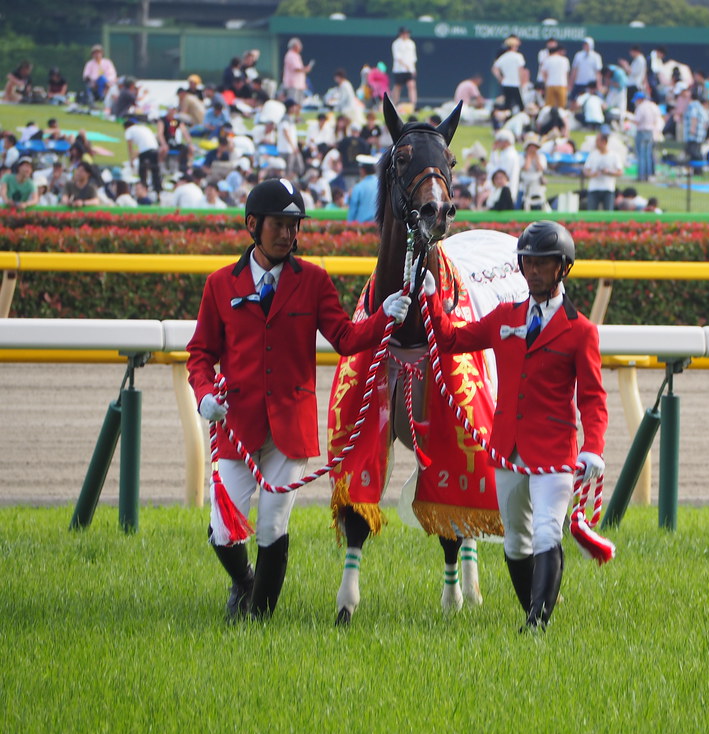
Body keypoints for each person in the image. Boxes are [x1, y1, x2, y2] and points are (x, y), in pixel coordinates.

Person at [186, 178, 411, 622]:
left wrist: (384, 315)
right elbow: (200, 354)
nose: (289, 234)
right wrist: (204, 394)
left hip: (290, 428)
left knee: (272, 524)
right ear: (253, 224)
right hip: (236, 426)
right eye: (279, 224)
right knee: (222, 531)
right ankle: (245, 581)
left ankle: (260, 617)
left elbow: (346, 338)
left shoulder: (313, 280)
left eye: (294, 225)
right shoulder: (219, 284)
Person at [419, 220, 607, 632]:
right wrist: (431, 299)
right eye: (528, 263)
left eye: (543, 263)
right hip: (506, 448)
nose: (534, 270)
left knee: (545, 534)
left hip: (555, 453)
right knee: (516, 541)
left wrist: (593, 446)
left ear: (563, 268)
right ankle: (533, 613)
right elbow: (451, 339)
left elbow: (592, 397)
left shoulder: (581, 331)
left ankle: (536, 623)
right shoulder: (505, 316)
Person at [582, 132, 622, 211]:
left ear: (604, 142)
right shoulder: (592, 155)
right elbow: (586, 170)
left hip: (608, 188)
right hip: (594, 188)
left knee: (608, 214)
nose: (596, 143)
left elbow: (620, 172)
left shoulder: (614, 155)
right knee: (591, 212)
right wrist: (592, 174)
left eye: (597, 141)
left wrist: (609, 173)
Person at [124, 118, 161, 198]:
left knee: (142, 172)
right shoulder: (143, 128)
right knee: (155, 172)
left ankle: (143, 192)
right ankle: (158, 193)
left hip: (145, 151)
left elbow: (130, 147)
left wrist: (131, 160)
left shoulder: (129, 130)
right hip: (155, 149)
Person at [492, 36, 526, 114]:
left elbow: (494, 68)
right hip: (516, 83)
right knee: (520, 104)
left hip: (506, 83)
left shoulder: (503, 57)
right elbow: (521, 70)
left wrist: (500, 78)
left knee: (507, 105)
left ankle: (506, 119)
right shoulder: (518, 57)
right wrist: (522, 82)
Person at [633, 91, 661, 182]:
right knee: (648, 154)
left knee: (641, 154)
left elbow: (637, 121)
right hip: (651, 131)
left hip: (642, 131)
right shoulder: (653, 106)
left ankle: (641, 175)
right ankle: (649, 175)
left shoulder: (641, 108)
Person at [391, 27, 418, 109]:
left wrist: (413, 69)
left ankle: (413, 104)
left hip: (409, 70)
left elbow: (413, 57)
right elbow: (397, 57)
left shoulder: (411, 43)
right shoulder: (396, 43)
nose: (406, 35)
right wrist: (406, 66)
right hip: (399, 70)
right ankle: (394, 104)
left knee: (411, 85)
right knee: (398, 86)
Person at [346, 154, 378, 223]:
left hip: (362, 227)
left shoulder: (358, 187)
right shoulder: (381, 184)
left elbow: (353, 210)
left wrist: (349, 225)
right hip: (380, 225)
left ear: (362, 170)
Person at [569, 37, 602, 102]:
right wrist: (571, 84)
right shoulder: (578, 55)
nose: (585, 46)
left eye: (587, 44)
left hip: (591, 84)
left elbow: (598, 72)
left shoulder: (596, 56)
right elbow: (574, 70)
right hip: (579, 83)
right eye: (584, 44)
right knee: (574, 100)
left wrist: (599, 85)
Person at [282, 38, 312, 104]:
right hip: (293, 83)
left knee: (299, 102)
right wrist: (305, 69)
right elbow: (296, 68)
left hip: (299, 84)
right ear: (295, 46)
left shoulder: (296, 55)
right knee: (293, 102)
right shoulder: (291, 55)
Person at [539, 45, 570, 109]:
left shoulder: (547, 60)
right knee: (562, 106)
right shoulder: (565, 60)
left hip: (550, 84)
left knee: (549, 106)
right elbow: (566, 73)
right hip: (562, 84)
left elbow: (543, 73)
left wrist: (546, 82)